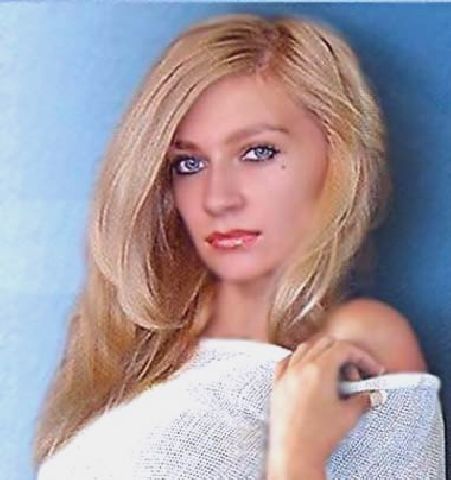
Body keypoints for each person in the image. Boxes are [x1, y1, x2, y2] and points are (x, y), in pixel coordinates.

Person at [32, 12, 444, 479]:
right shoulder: (141, 351)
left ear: (337, 156)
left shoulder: (359, 341)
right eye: (188, 164)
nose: (218, 199)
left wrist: (296, 455)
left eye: (258, 152)